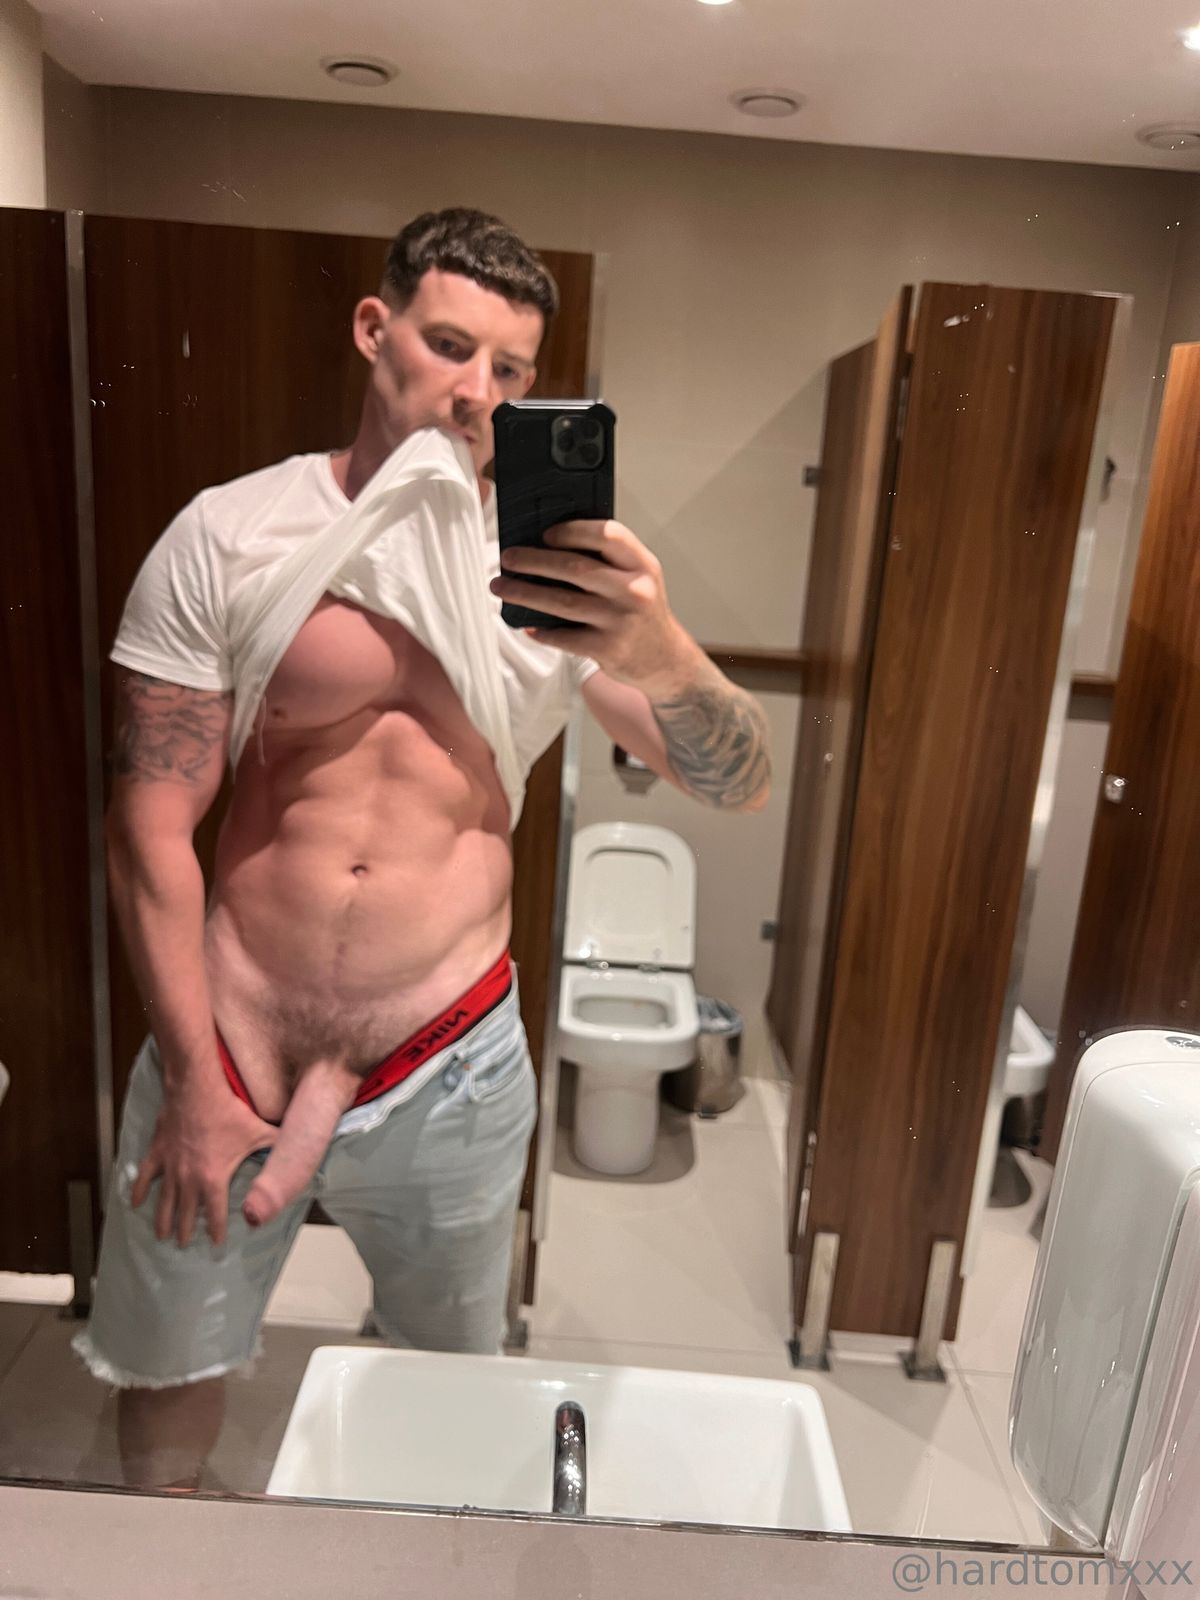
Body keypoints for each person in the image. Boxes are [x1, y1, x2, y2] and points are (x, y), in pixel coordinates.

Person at [72, 208, 772, 1488]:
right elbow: (149, 827)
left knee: (445, 1395)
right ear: (373, 329)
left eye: (510, 369)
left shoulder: (554, 587)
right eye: (451, 347)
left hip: (448, 1061)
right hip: (228, 1039)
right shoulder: (233, 532)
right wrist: (193, 1079)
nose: (477, 392)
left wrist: (660, 647)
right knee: (169, 1377)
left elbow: (738, 782)